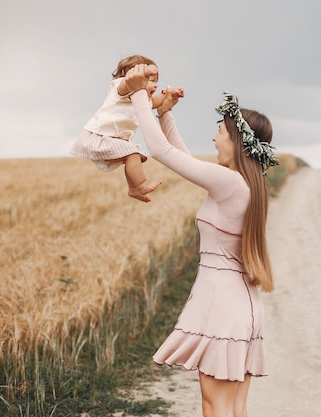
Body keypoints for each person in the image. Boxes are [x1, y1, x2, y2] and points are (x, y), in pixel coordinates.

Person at [124, 63, 279, 417]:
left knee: (217, 407)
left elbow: (164, 154)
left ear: (236, 140)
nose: (214, 138)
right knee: (234, 408)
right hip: (241, 306)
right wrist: (164, 116)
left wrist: (137, 97)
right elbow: (183, 160)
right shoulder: (244, 182)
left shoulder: (231, 183)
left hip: (224, 308)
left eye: (220, 132)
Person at [70, 55, 184, 202]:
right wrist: (145, 71)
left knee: (134, 156)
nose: (155, 85)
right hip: (98, 136)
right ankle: (140, 183)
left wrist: (171, 94)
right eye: (150, 79)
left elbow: (156, 101)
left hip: (111, 140)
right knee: (133, 154)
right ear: (130, 75)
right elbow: (126, 85)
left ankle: (133, 188)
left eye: (156, 81)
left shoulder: (143, 100)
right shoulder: (120, 89)